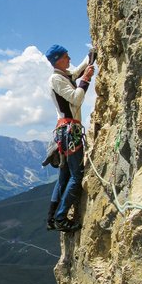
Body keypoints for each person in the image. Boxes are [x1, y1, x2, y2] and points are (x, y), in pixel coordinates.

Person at [44, 44, 95, 233]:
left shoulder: (62, 76)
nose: (69, 59)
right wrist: (87, 80)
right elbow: (76, 98)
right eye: (66, 56)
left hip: (64, 131)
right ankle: (61, 217)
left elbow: (75, 73)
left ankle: (52, 217)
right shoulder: (56, 79)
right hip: (69, 131)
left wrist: (90, 58)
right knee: (76, 174)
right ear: (58, 59)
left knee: (64, 176)